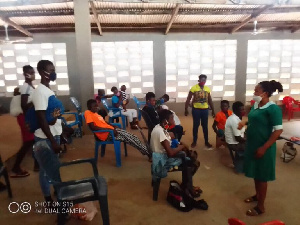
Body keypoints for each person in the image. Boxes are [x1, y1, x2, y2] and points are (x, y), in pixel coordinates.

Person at [239, 80, 283, 216]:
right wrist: (244, 123)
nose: (254, 93)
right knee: (256, 173)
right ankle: (258, 195)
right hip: (253, 144)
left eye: (256, 91)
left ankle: (261, 207)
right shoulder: (256, 105)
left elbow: (278, 131)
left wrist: (264, 148)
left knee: (262, 176)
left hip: (264, 147)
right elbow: (254, 120)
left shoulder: (273, 109)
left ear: (265, 93)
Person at [32, 60, 63, 204]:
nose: (53, 73)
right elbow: (42, 118)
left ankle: (58, 191)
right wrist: (51, 140)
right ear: (41, 72)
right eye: (50, 70)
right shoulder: (39, 92)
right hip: (45, 138)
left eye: (53, 69)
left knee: (54, 166)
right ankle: (48, 200)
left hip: (53, 135)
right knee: (45, 171)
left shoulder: (47, 90)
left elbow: (52, 115)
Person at [150, 109, 201, 198]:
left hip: (158, 156)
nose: (173, 121)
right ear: (165, 121)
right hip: (162, 162)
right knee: (191, 163)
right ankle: (187, 187)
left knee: (188, 157)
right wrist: (182, 147)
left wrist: (169, 135)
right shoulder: (160, 132)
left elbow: (163, 136)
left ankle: (187, 185)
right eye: (172, 119)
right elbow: (171, 153)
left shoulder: (158, 127)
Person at [85, 99, 151, 159]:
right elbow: (93, 127)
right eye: (94, 106)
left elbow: (105, 122)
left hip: (111, 131)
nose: (96, 108)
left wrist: (113, 126)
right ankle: (149, 153)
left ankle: (147, 151)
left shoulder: (95, 114)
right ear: (89, 107)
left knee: (133, 137)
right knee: (131, 138)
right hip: (107, 134)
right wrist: (110, 130)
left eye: (97, 106)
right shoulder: (88, 113)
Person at [11, 65, 39, 178]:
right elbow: (24, 105)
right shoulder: (26, 87)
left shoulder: (30, 86)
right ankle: (15, 166)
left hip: (29, 116)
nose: (32, 74)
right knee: (29, 141)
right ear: (25, 74)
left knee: (34, 140)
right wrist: (35, 101)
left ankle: (37, 164)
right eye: (29, 72)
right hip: (25, 117)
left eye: (33, 72)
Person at [185, 74, 215, 148]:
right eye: (202, 80)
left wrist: (213, 110)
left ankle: (206, 141)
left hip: (205, 110)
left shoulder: (207, 89)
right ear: (199, 80)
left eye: (204, 80)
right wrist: (186, 109)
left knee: (205, 126)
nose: (203, 81)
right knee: (196, 125)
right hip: (196, 110)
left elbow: (210, 100)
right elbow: (188, 99)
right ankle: (194, 141)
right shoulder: (194, 88)